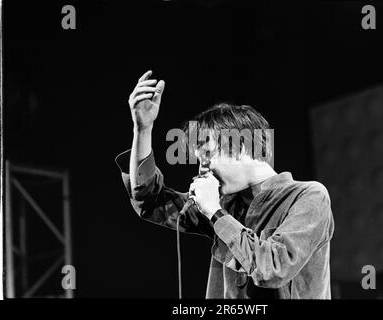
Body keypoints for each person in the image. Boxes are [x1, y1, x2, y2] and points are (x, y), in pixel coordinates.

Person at [115, 70, 334, 299]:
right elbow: (150, 202)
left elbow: (273, 269)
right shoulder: (225, 203)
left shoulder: (309, 196)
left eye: (207, 156)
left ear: (239, 146)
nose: (202, 169)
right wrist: (142, 129)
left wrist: (216, 213)